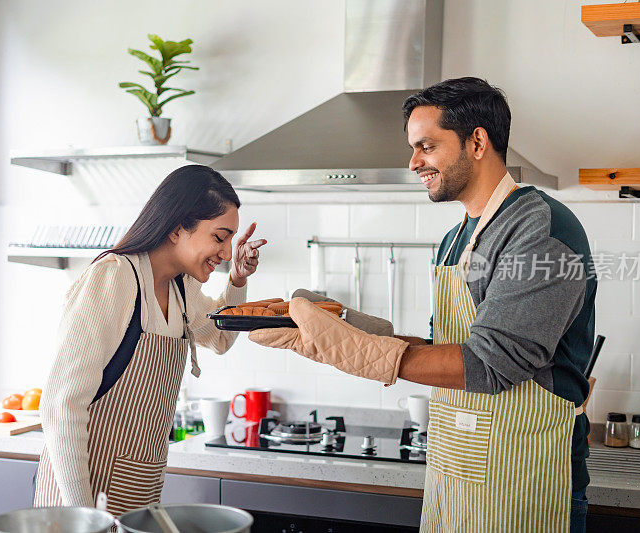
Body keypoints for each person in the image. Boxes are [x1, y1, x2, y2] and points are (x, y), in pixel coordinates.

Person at [251, 77, 596, 532]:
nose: (413, 163)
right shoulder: (455, 240)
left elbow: (490, 365)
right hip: (456, 473)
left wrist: (358, 352)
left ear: (477, 141)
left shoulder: (540, 229)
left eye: (426, 146)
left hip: (528, 474)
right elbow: (443, 349)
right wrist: (344, 324)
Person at [35, 164, 266, 514]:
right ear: (177, 229)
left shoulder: (181, 287)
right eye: (219, 237)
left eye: (231, 240)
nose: (227, 252)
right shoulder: (115, 277)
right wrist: (84, 517)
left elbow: (220, 338)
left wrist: (236, 280)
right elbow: (60, 406)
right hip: (79, 503)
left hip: (137, 495)